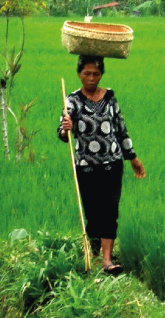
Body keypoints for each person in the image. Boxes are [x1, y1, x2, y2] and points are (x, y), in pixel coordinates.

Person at [58, 55, 147, 275]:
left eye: (96, 74)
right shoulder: (72, 101)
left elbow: (121, 129)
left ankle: (107, 259)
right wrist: (66, 127)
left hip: (112, 164)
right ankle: (95, 255)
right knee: (92, 212)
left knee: (110, 210)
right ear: (79, 74)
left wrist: (132, 158)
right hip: (86, 166)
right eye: (86, 73)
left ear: (101, 74)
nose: (91, 78)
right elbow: (62, 134)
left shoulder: (110, 98)